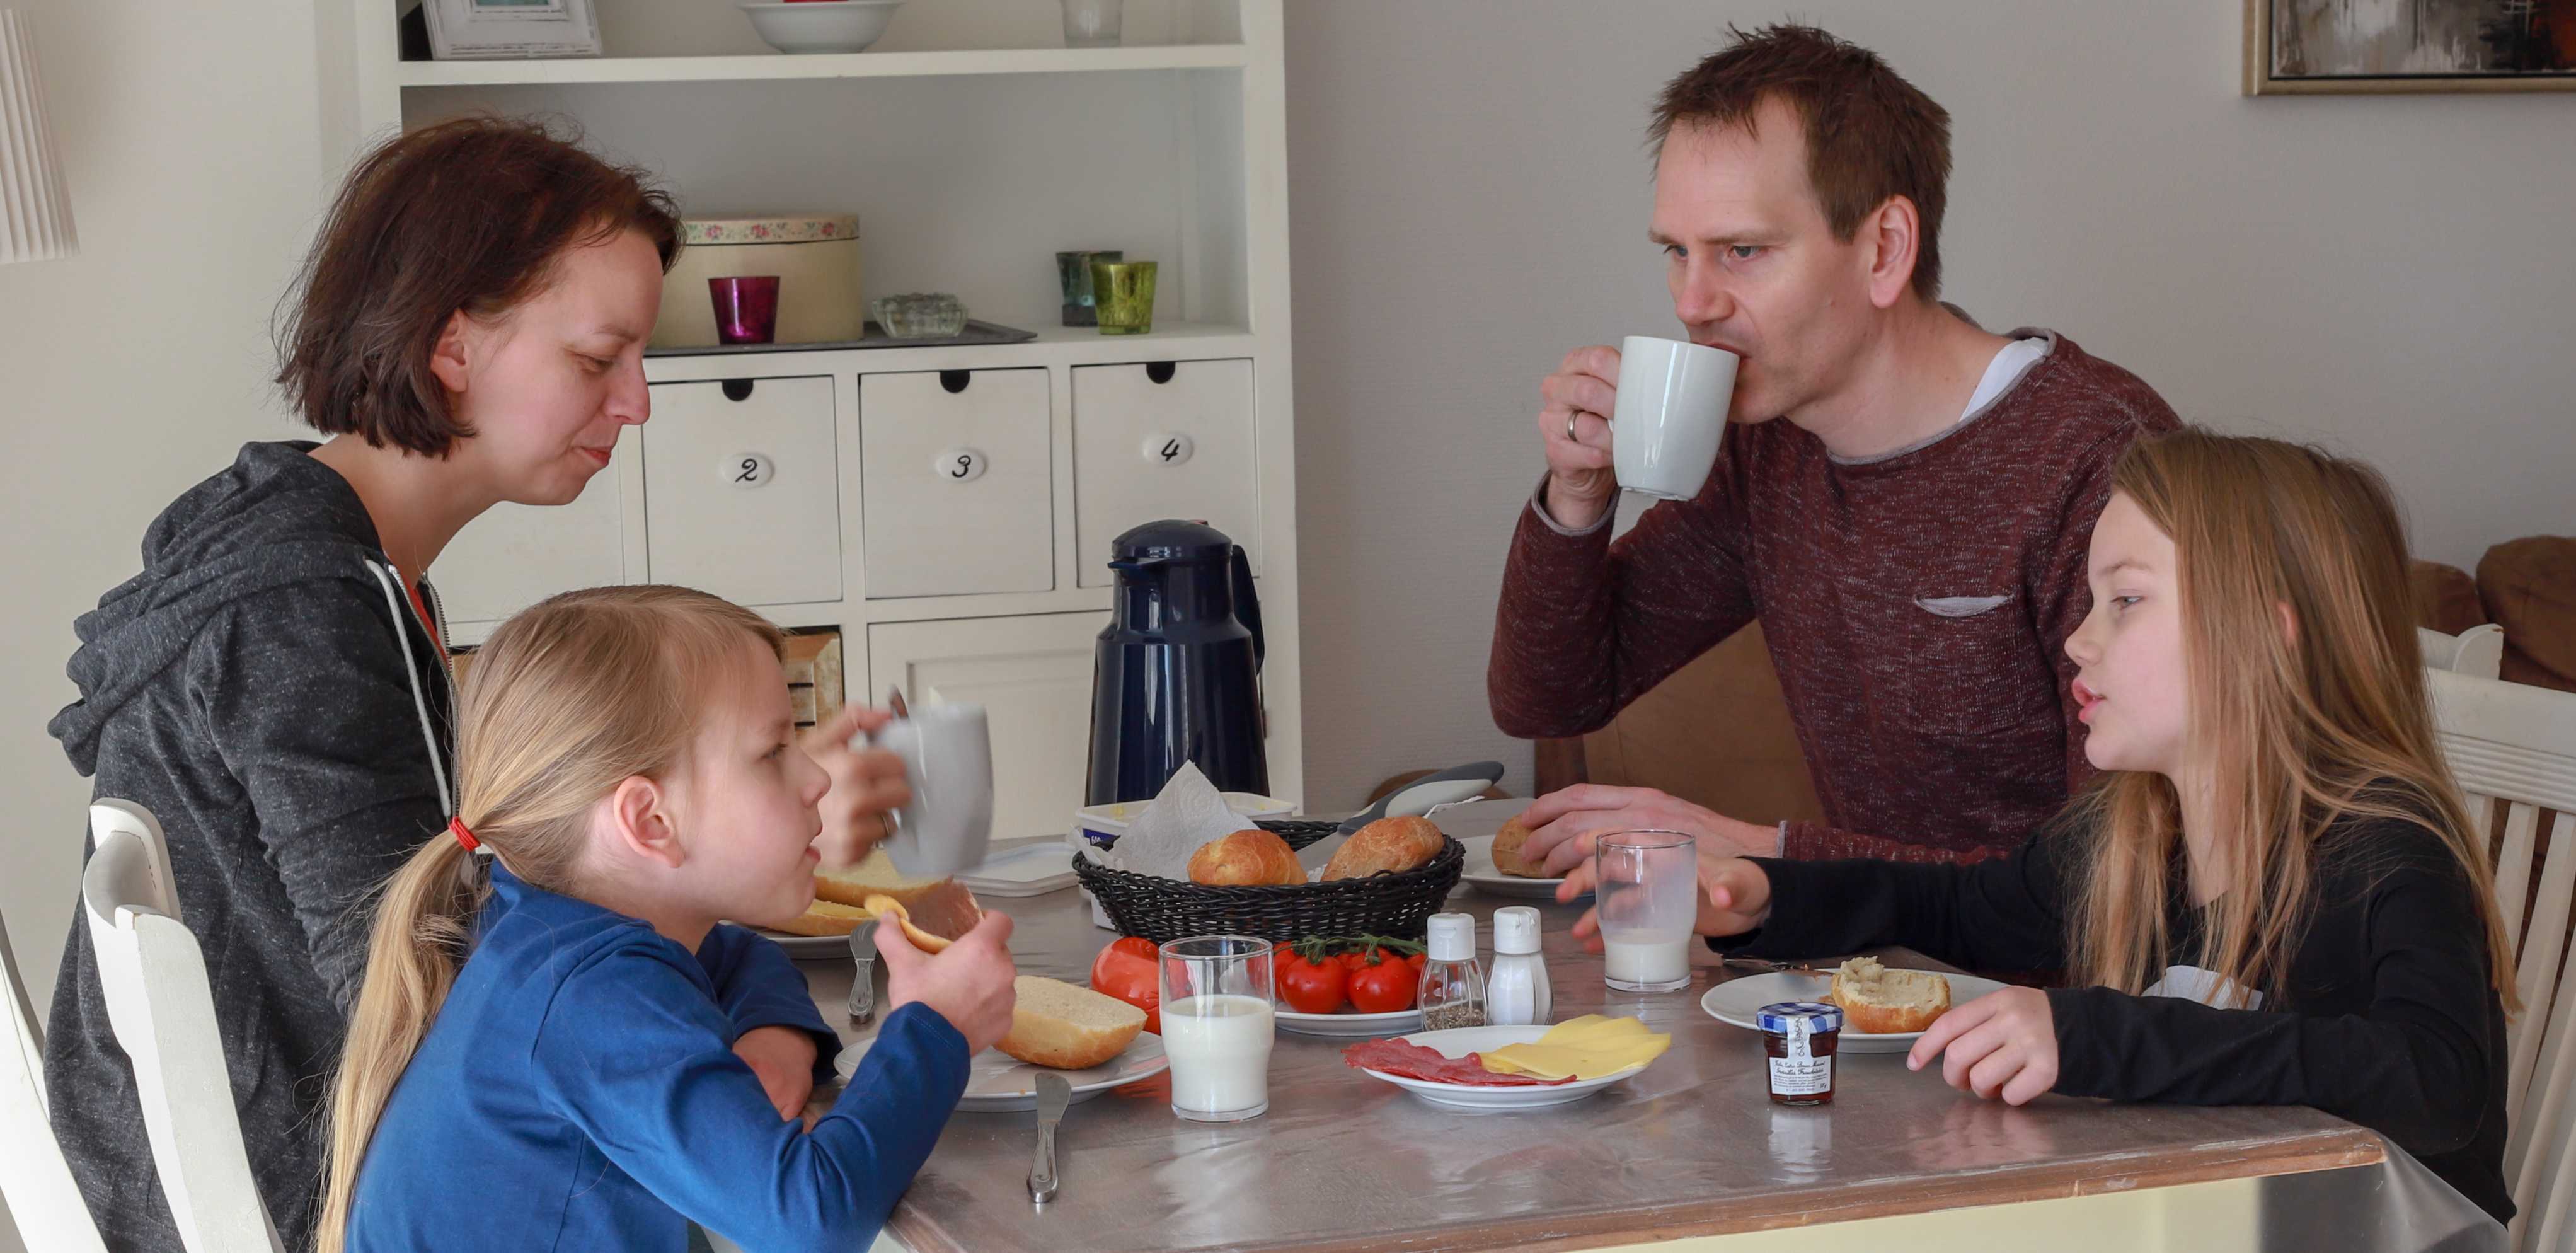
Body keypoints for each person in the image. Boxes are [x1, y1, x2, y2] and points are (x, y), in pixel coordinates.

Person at [45, 117, 900, 1252]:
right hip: (313, 1184)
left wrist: (756, 971)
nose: (638, 401)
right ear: (453, 348)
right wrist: (754, 928)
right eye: (598, 360)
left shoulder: (327, 556)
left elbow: (532, 904)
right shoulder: (307, 611)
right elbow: (447, 991)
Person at [1560, 430, 2519, 1224]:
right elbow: (1963, 909)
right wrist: (1771, 895)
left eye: (2127, 602)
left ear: (2267, 634)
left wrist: (2093, 1033)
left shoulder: (2386, 848)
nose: (2078, 637)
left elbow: (2435, 1079)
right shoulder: (2134, 833)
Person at [1490, 24, 2179, 871]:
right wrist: (1578, 497)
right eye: (1677, 252)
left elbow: (2117, 884)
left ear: (1885, 249)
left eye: (1742, 252)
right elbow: (1550, 694)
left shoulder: (2101, 461)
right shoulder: (1768, 448)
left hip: (2056, 999)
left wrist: (1770, 855)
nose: (1693, 302)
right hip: (1874, 978)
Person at [317, 586, 1018, 1252]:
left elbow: (735, 954)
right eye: (773, 752)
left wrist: (775, 1037)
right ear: (650, 820)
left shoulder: (544, 923)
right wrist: (937, 1026)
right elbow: (810, 1220)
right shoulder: (592, 995)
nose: (817, 778)